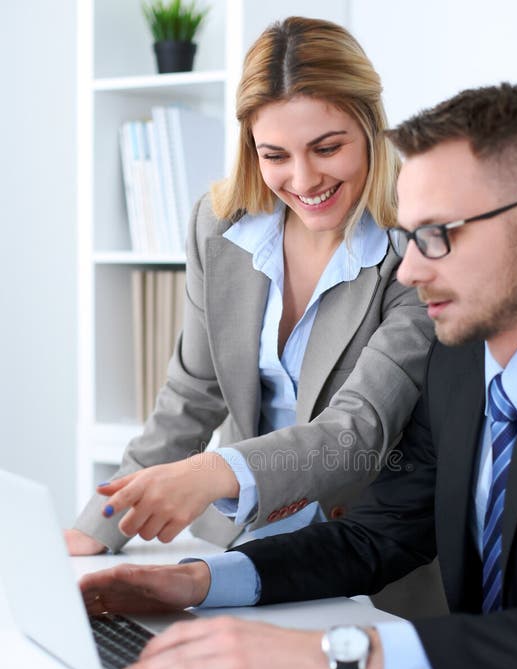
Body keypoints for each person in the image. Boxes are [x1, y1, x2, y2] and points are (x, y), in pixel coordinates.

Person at [80, 82, 517, 669]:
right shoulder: (463, 355)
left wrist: (338, 657)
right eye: (409, 238)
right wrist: (194, 583)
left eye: (437, 235)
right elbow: (380, 533)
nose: (408, 271)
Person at [67, 16, 433, 599]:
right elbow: (192, 396)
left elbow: (359, 431)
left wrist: (213, 472)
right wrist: (97, 528)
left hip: (360, 561)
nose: (304, 178)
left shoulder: (415, 246)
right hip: (231, 547)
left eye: (328, 147)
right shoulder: (220, 227)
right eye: (275, 154)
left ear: (371, 128)